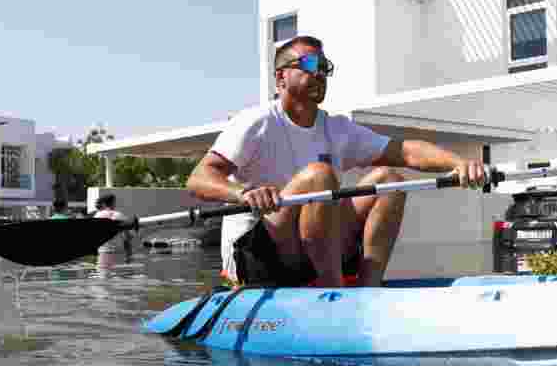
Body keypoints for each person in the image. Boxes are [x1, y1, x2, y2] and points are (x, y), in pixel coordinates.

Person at [186, 35, 486, 287]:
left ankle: (369, 288)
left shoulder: (337, 128)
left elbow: (405, 151)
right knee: (319, 175)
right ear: (280, 78)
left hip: (312, 249)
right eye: (310, 65)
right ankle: (334, 290)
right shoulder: (256, 122)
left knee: (389, 180)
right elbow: (199, 179)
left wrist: (458, 164)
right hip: (258, 257)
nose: (320, 73)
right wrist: (243, 194)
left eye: (324, 67)